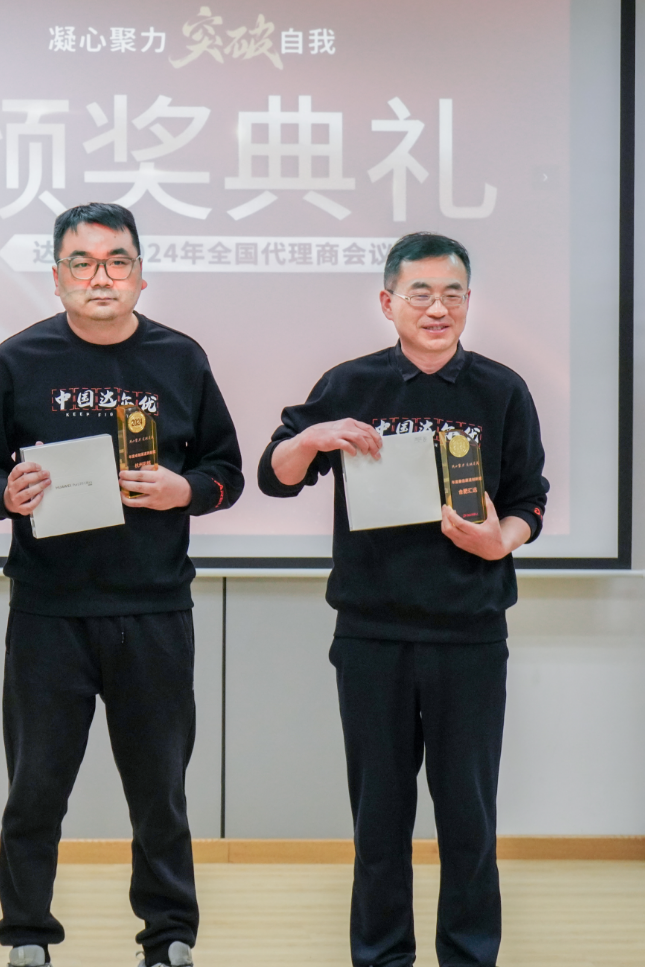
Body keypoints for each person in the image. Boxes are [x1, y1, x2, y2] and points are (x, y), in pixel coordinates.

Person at [257, 232, 548, 967]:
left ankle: (468, 955)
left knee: (468, 819)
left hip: (469, 633)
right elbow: (274, 473)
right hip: (371, 635)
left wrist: (501, 540)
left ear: (469, 302)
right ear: (387, 303)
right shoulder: (350, 384)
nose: (437, 307)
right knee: (379, 819)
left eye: (452, 293)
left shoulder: (501, 390)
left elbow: (529, 501)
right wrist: (315, 437)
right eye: (420, 293)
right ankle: (381, 956)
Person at [0, 203, 244, 967]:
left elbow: (225, 470)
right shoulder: (19, 359)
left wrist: (183, 490)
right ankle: (27, 933)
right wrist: (4, 493)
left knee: (159, 792)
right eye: (82, 263)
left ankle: (169, 934)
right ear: (56, 276)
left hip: (153, 607)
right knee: (34, 789)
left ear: (140, 275)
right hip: (48, 611)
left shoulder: (180, 359)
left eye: (116, 261)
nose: (100, 277)